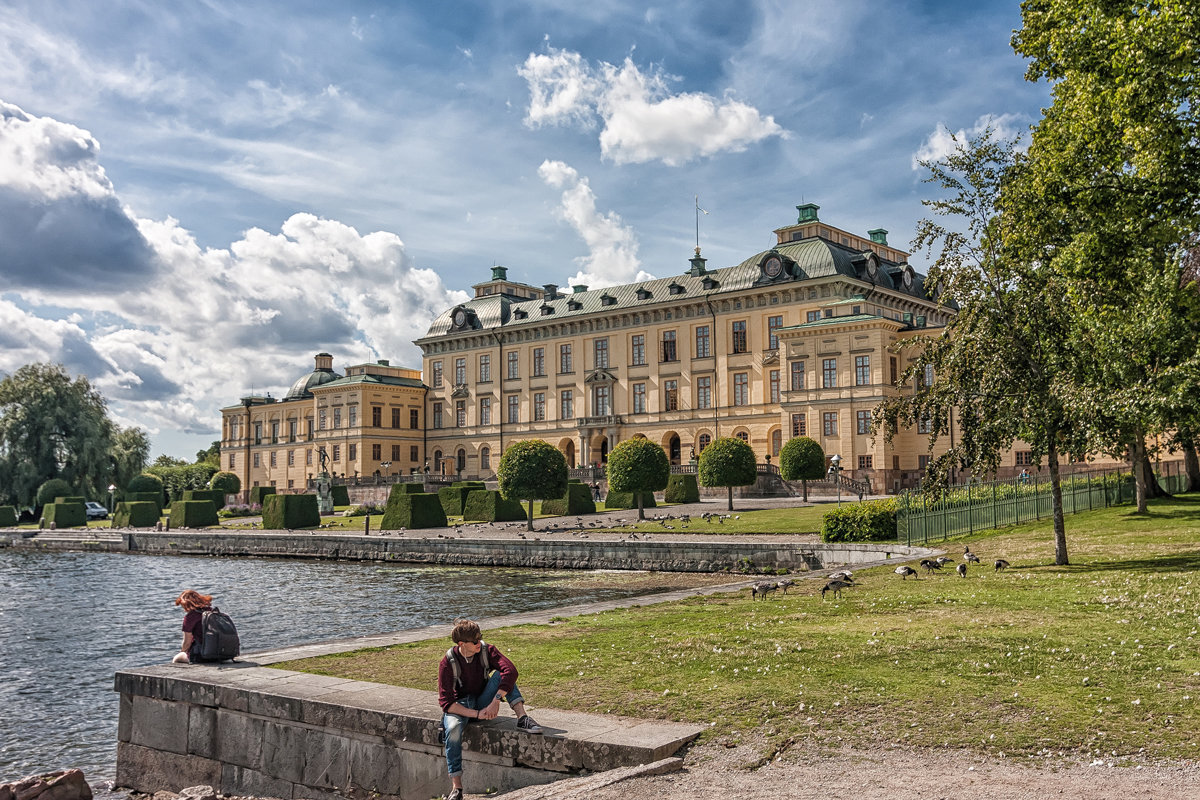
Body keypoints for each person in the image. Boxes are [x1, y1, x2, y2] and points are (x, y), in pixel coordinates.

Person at [438, 618, 542, 800]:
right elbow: (447, 703)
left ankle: (522, 718)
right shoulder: (448, 662)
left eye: (480, 638)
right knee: (453, 730)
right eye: (475, 641)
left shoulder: (487, 650)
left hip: (483, 700)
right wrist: (477, 714)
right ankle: (457, 788)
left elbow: (511, 670)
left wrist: (496, 699)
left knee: (504, 674)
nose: (480, 642)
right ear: (462, 644)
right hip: (460, 707)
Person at [172, 589, 212, 663]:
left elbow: (187, 642)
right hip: (220, 652)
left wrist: (182, 652)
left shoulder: (190, 617)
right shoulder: (211, 611)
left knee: (177, 658)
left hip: (202, 655)